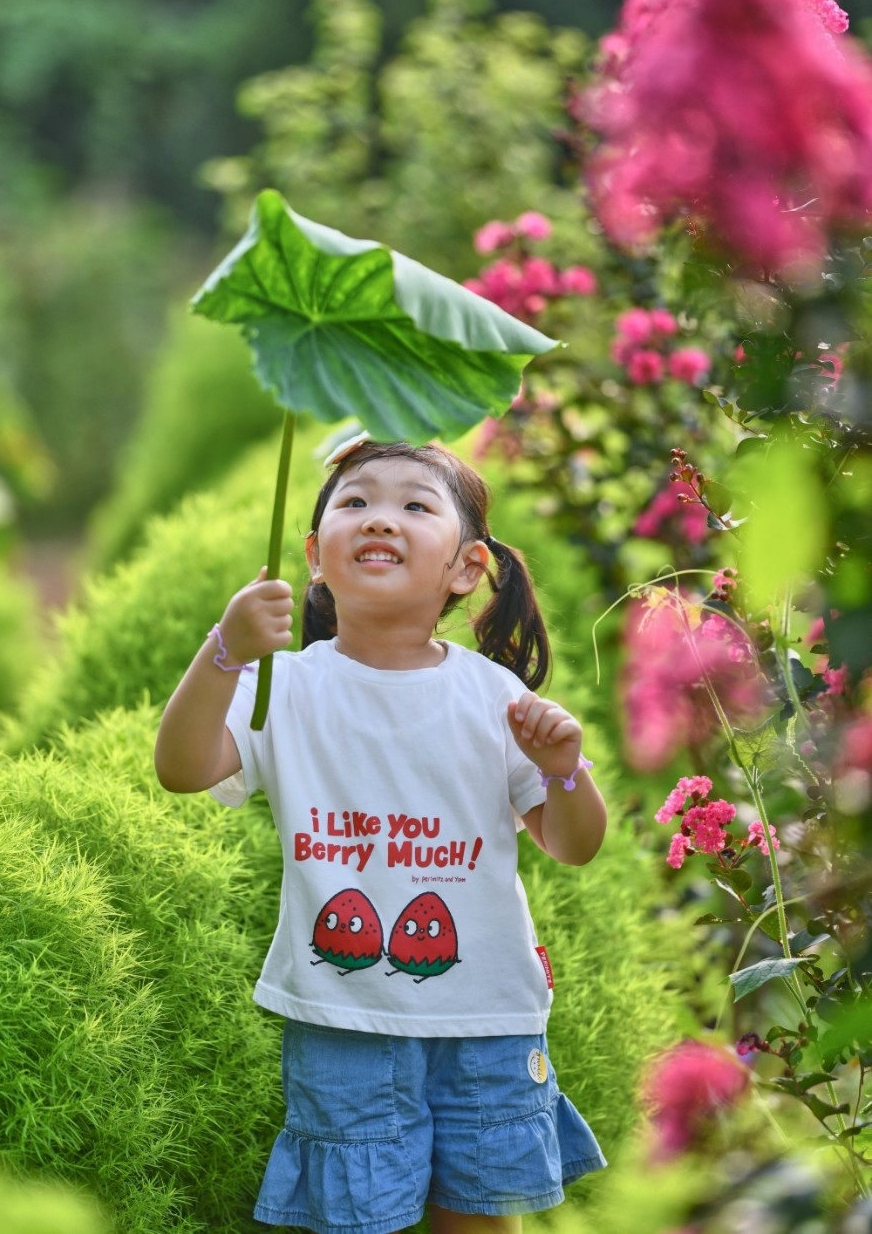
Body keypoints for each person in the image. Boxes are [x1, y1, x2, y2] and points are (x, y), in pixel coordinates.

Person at [155, 437, 608, 1234]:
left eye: (415, 505)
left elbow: (572, 843)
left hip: (487, 1020)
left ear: (466, 568)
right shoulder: (284, 686)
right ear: (315, 558)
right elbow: (183, 768)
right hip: (344, 1017)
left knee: (480, 1219)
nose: (381, 519)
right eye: (356, 502)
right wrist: (223, 650)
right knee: (355, 1219)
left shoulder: (491, 696)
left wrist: (567, 770)